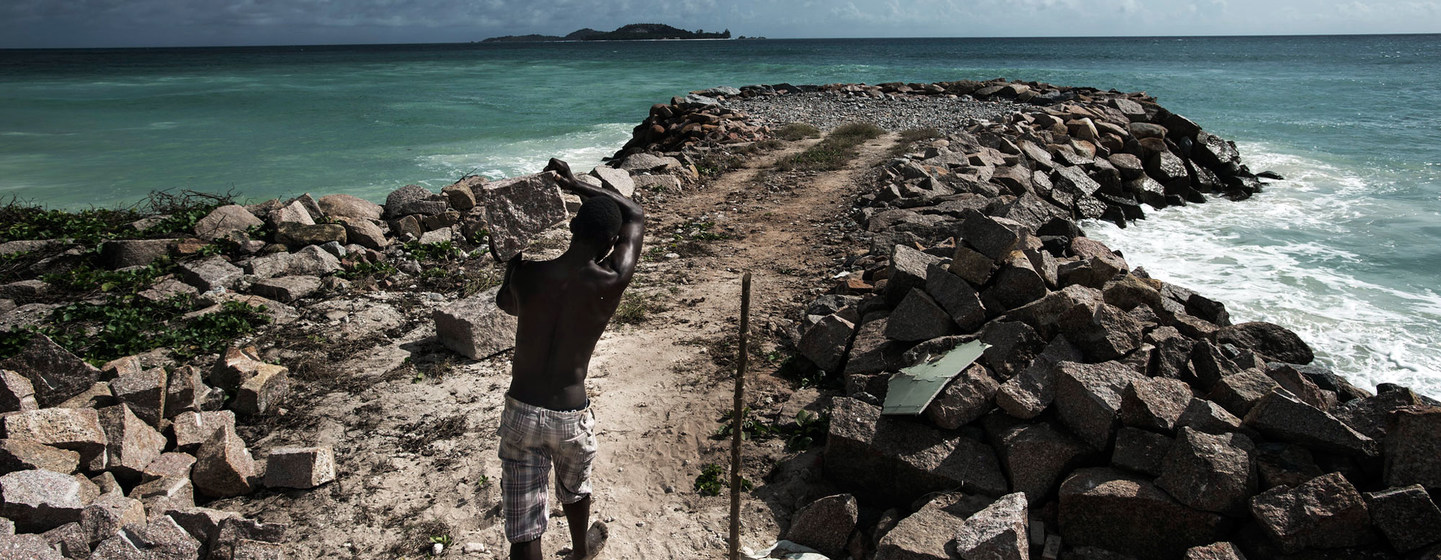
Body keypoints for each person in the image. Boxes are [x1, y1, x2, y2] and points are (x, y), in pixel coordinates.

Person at [494, 158, 644, 560]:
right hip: (569, 413)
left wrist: (511, 259)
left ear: (571, 228)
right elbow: (635, 212)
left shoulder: (528, 277)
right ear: (612, 243)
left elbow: (505, 303)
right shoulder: (611, 280)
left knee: (525, 527)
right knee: (575, 488)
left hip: (521, 409)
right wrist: (576, 183)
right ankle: (580, 552)